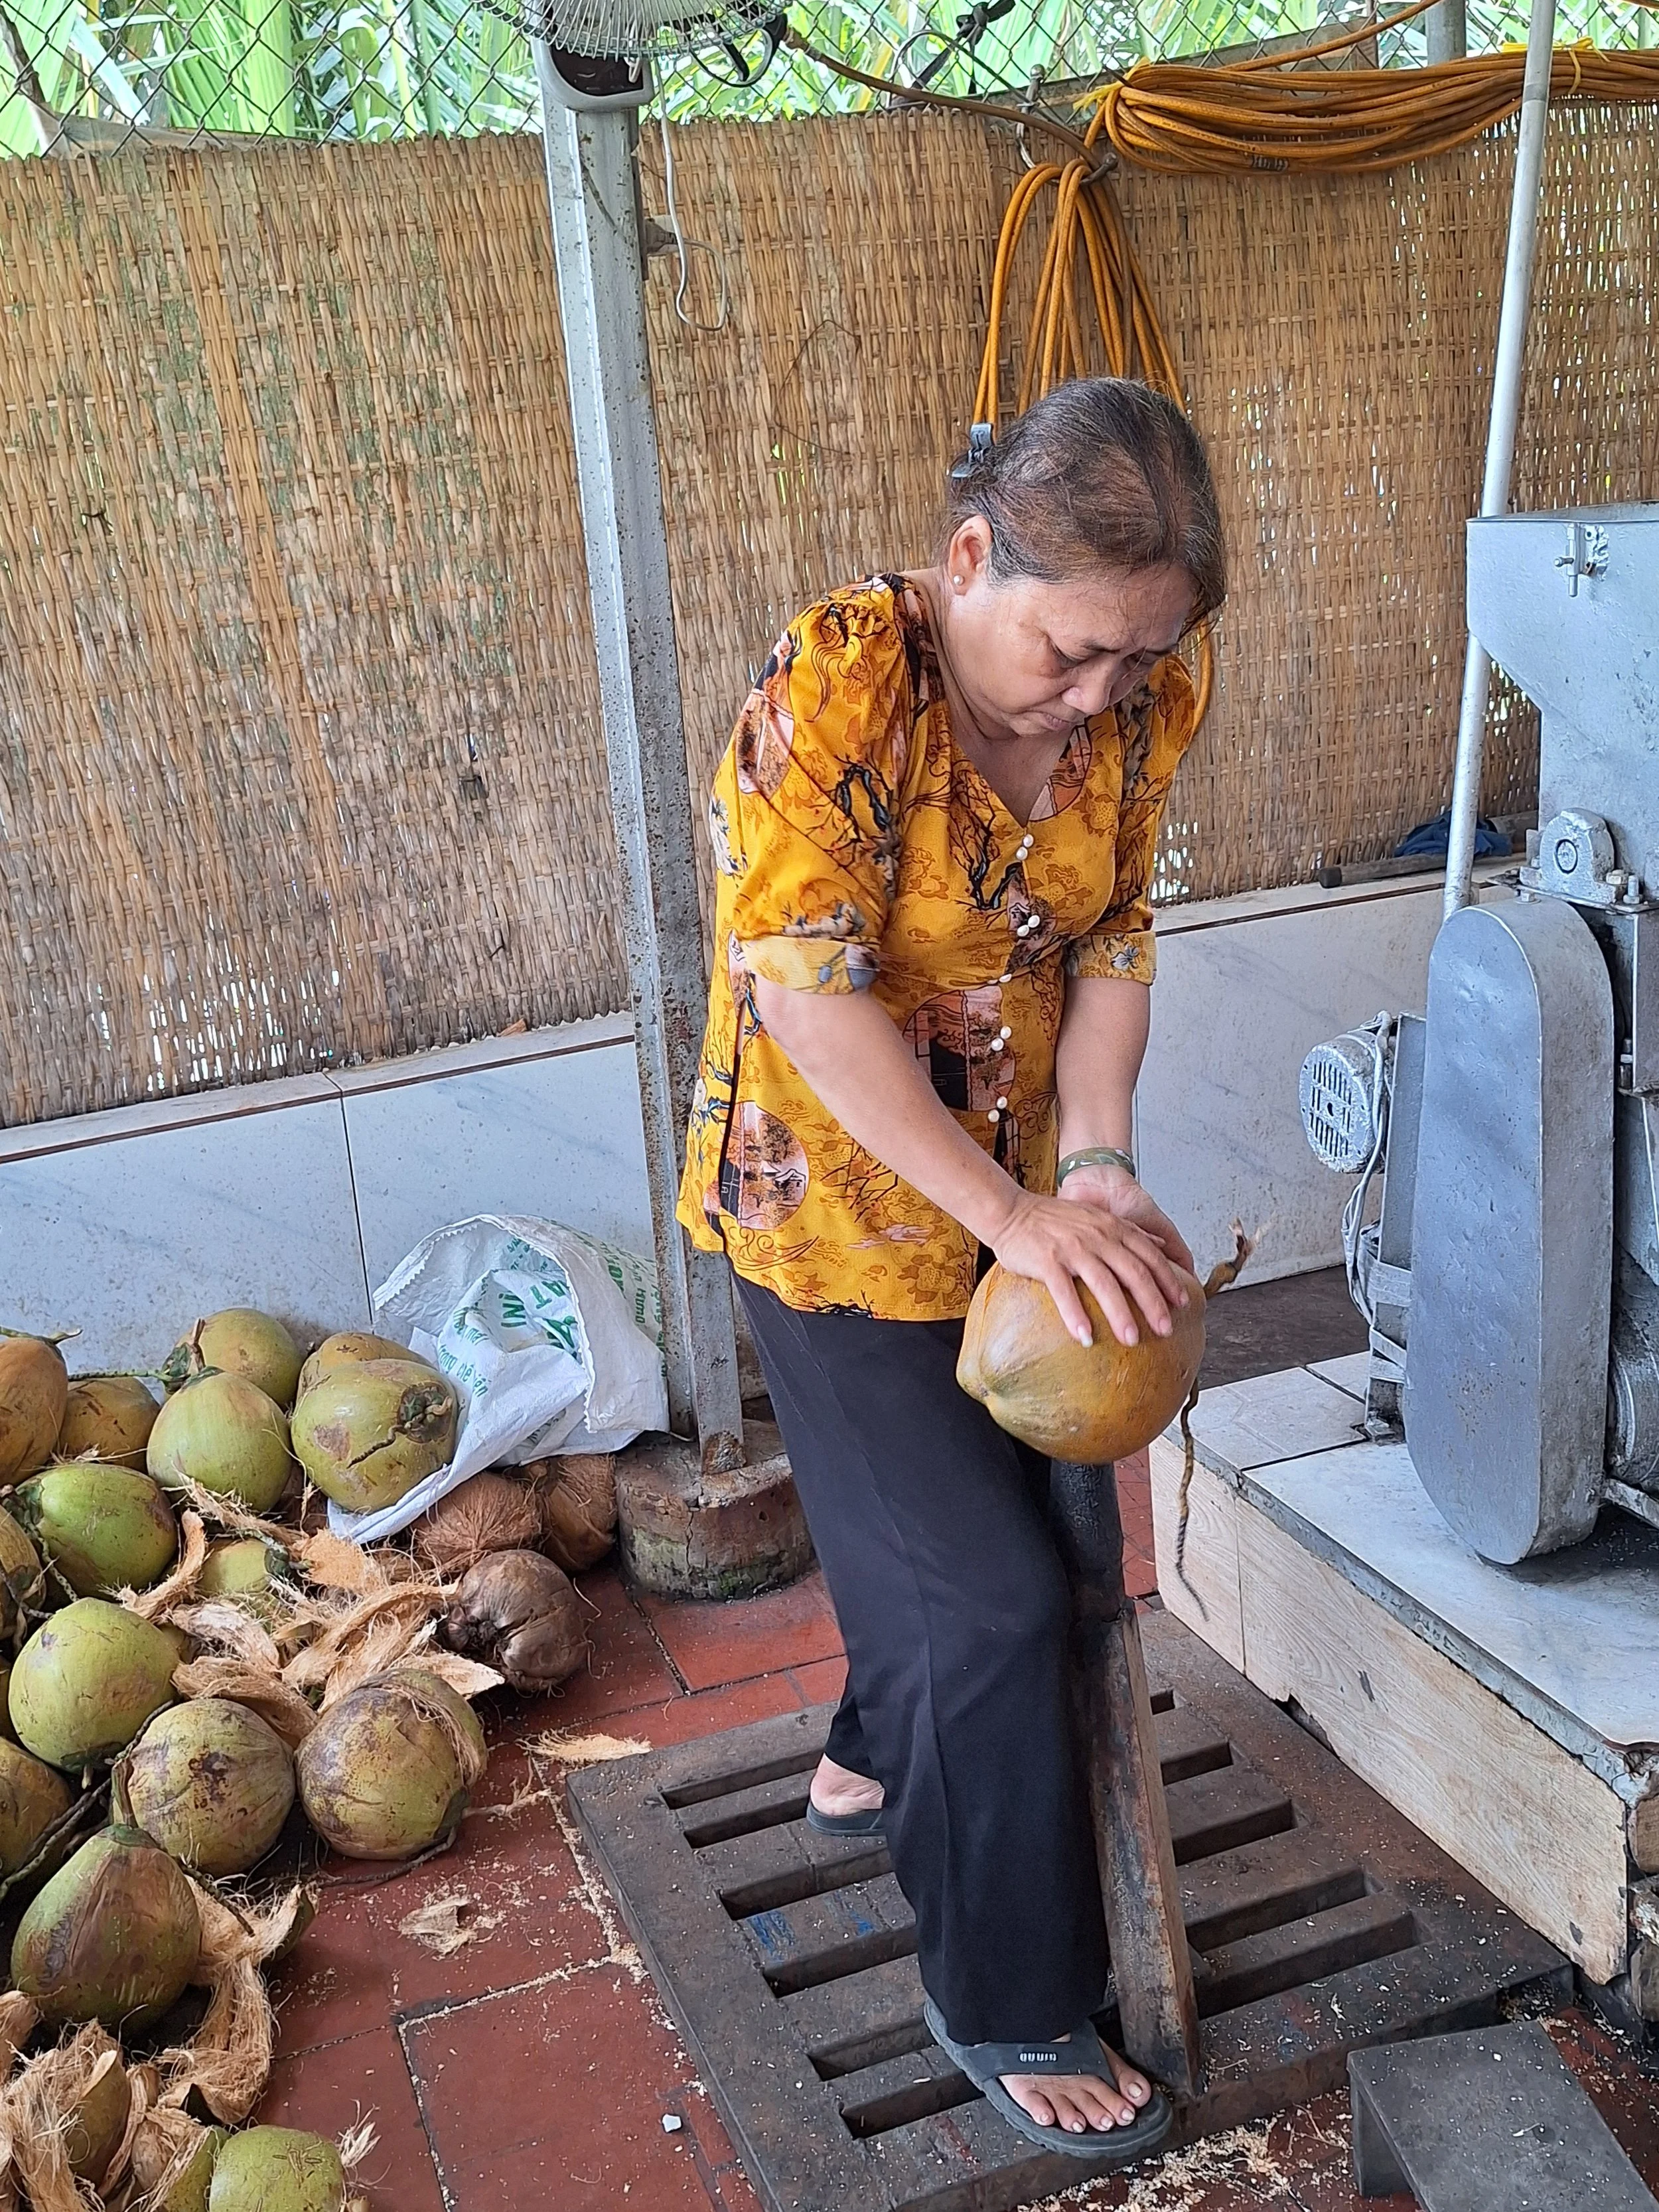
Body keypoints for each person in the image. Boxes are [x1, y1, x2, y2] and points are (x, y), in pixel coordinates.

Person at [677, 377, 1226, 2162]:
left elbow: (1115, 932)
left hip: (1019, 1197)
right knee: (988, 1599)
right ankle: (997, 1986)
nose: (1096, 699)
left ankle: (862, 1748)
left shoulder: (1140, 702)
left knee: (965, 1523)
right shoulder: (840, 679)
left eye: (1129, 669)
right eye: (1069, 653)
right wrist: (1016, 1224)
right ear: (969, 556)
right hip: (829, 1210)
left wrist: (1100, 1157)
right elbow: (806, 995)